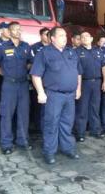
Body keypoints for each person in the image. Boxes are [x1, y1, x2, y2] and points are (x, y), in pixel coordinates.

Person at [31, 26, 82, 164]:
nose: (64, 38)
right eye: (61, 35)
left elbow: (78, 73)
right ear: (52, 38)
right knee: (51, 124)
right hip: (54, 95)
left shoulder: (71, 52)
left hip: (70, 95)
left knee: (67, 123)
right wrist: (41, 92)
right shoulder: (44, 53)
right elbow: (36, 74)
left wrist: (78, 89)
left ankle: (67, 148)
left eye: (65, 35)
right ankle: (49, 152)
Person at [0, 21, 32, 154]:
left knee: (23, 113)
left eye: (20, 29)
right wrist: (5, 74)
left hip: (23, 84)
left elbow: (30, 62)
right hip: (9, 85)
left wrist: (25, 69)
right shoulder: (2, 47)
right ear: (9, 31)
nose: (19, 31)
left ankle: (22, 141)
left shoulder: (25, 46)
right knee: (6, 114)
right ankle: (6, 144)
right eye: (16, 29)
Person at [75, 31, 104, 142]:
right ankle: (80, 132)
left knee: (95, 107)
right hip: (83, 83)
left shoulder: (98, 51)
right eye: (82, 37)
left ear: (92, 38)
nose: (85, 38)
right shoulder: (77, 52)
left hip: (97, 82)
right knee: (82, 108)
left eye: (87, 36)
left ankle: (95, 130)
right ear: (80, 40)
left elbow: (104, 66)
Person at [30, 27, 50, 133]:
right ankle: (38, 126)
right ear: (41, 35)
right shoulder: (34, 47)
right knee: (38, 105)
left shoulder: (53, 47)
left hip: (50, 81)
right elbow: (31, 63)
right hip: (37, 79)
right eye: (46, 34)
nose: (48, 36)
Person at [0, 21, 10, 140]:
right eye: (7, 29)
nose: (9, 31)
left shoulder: (14, 44)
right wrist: (5, 75)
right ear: (1, 30)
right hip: (0, 81)